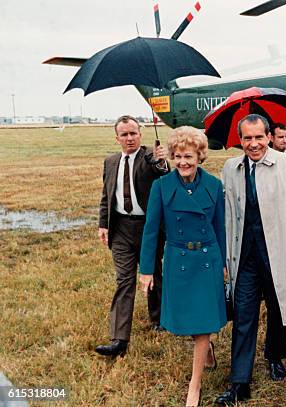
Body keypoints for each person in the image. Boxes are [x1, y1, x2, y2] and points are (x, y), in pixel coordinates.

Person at [215, 114, 286, 405]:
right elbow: (227, 214)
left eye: (259, 137)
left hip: (278, 251)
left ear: (269, 137)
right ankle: (240, 381)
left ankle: (274, 356)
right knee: (244, 313)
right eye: (247, 138)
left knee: (277, 306)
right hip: (245, 254)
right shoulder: (230, 168)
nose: (254, 144)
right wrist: (226, 255)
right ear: (240, 140)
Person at [139, 126, 226, 407]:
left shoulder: (214, 185)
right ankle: (207, 349)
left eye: (188, 156)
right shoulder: (161, 187)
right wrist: (147, 270)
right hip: (178, 261)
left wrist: (223, 262)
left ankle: (195, 384)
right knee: (188, 322)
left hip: (207, 258)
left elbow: (219, 227)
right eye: (177, 156)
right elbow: (151, 230)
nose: (183, 162)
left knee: (202, 324)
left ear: (200, 155)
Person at [95, 115, 168, 357]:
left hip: (148, 228)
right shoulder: (111, 161)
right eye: (124, 134)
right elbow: (107, 196)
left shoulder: (149, 157)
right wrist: (103, 224)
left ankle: (159, 320)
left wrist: (161, 162)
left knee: (154, 273)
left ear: (140, 134)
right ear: (117, 138)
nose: (129, 138)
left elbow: (161, 171)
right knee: (124, 280)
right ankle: (119, 339)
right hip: (121, 230)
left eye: (133, 133)